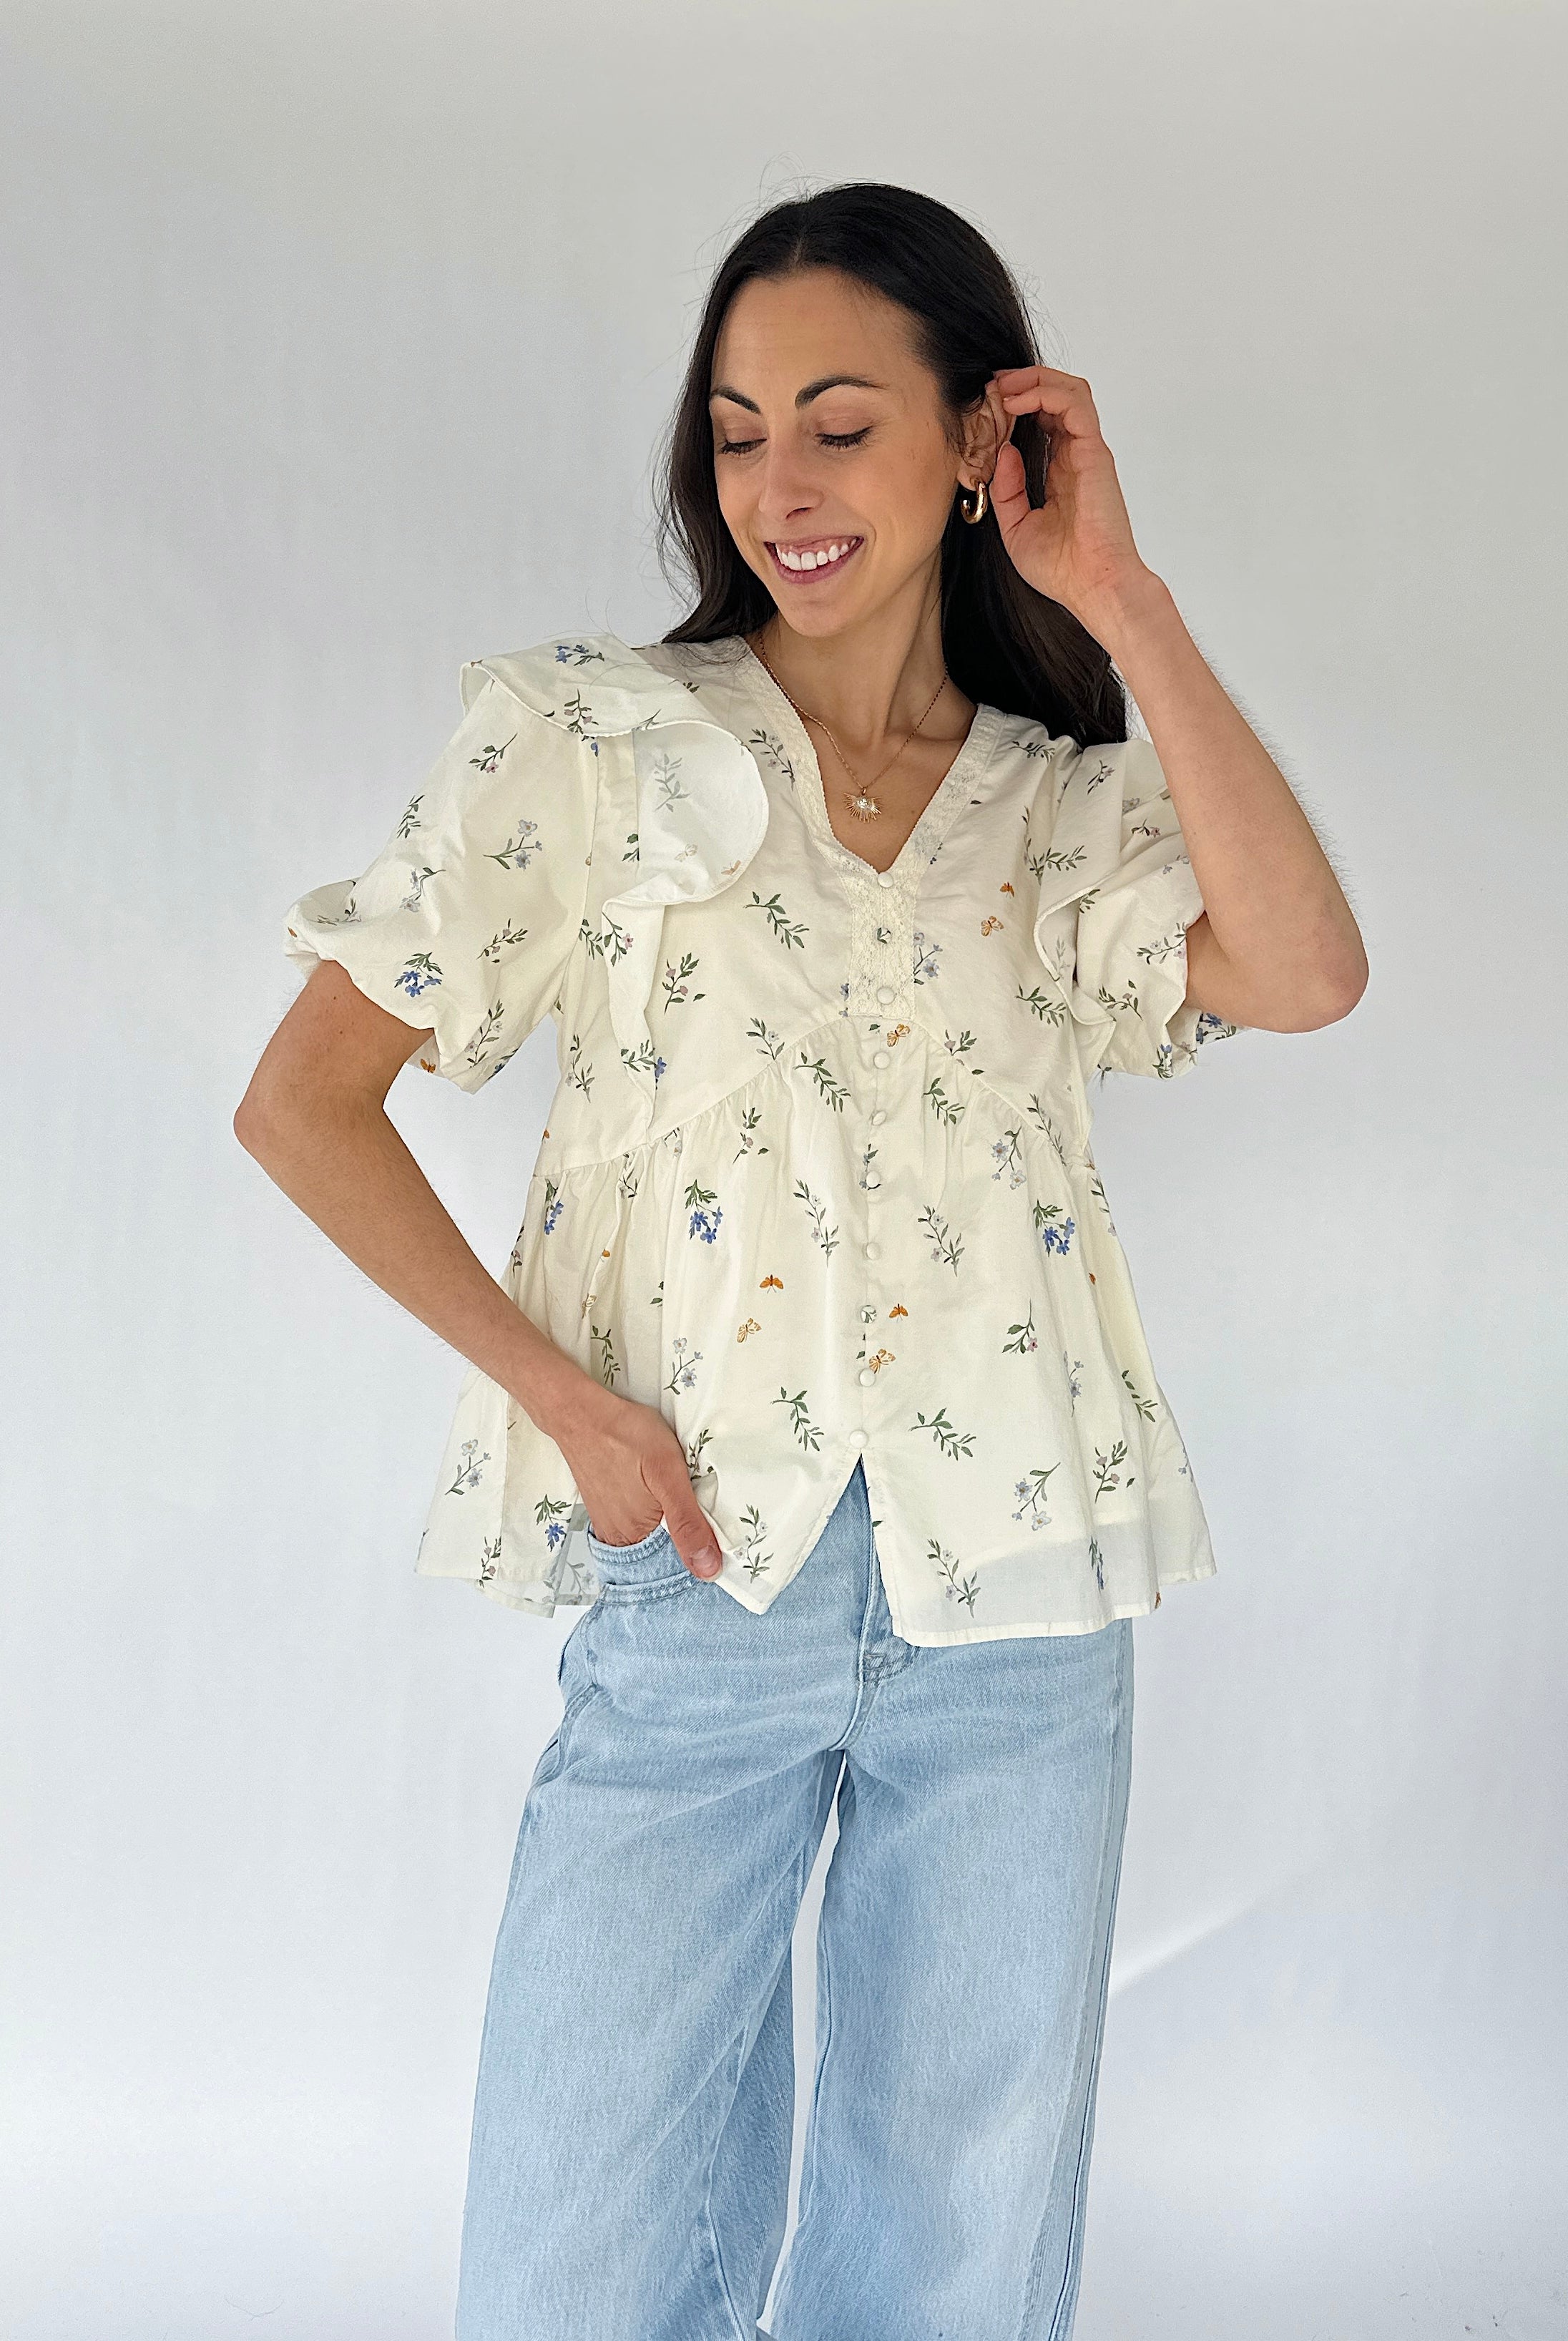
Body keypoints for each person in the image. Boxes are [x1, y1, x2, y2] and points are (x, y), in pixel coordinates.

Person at [235, 182, 1366, 2341]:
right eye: (740, 429)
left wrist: (1120, 598)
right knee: (578, 2249)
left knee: (954, 2241)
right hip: (692, 1563)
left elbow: (1306, 970)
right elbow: (303, 1101)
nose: (779, 484)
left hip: (1023, 1605)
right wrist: (569, 1404)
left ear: (977, 442)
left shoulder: (1060, 807)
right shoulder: (583, 741)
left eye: (839, 423)